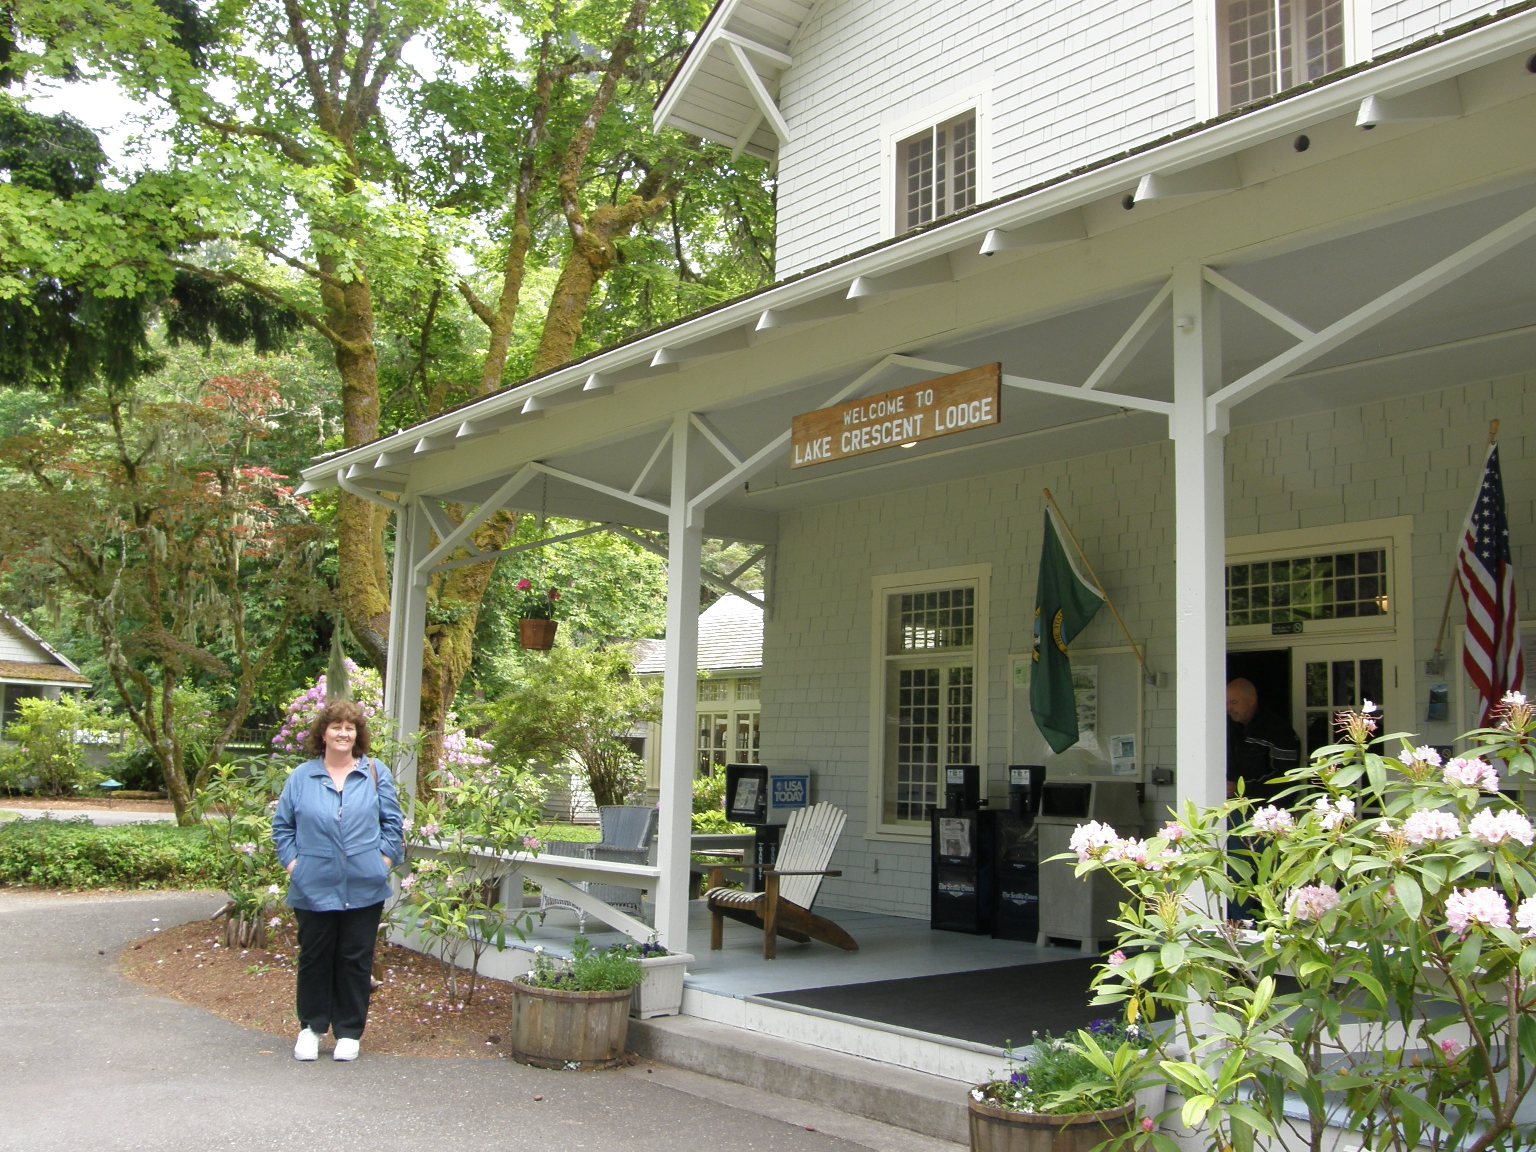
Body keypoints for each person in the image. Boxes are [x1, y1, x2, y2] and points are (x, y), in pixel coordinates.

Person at [272, 699, 402, 1062]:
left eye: (350, 727)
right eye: (336, 726)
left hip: (365, 883)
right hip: (313, 884)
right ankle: (311, 1028)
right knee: (314, 957)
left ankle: (348, 1032)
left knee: (355, 957)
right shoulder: (302, 776)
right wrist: (294, 865)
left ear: (357, 735)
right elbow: (283, 827)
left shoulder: (376, 773)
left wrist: (384, 860)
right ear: (323, 734)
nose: (343, 733)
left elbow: (393, 824)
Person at [1225, 677, 1300, 802]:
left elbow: (1285, 777)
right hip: (1235, 805)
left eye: (1234, 702)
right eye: (1226, 703)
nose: (1228, 708)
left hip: (1270, 810)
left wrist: (1239, 789)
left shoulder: (1277, 730)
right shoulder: (1229, 727)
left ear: (1251, 701)